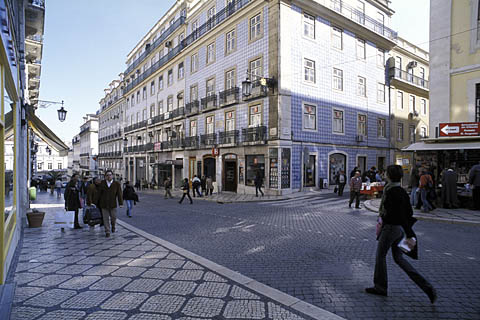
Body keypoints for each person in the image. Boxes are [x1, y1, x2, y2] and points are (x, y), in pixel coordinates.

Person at [366, 165, 437, 304]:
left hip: (391, 228)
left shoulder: (392, 192)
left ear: (389, 175)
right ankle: (426, 287)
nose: (385, 174)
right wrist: (407, 231)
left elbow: (399, 214)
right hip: (399, 230)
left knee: (380, 257)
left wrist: (408, 233)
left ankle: (380, 287)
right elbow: (408, 213)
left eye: (386, 172)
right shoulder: (401, 191)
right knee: (399, 259)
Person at [98, 170, 123, 237]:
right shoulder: (102, 183)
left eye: (110, 175)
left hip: (113, 204)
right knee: (105, 218)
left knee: (113, 218)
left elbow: (119, 194)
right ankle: (107, 231)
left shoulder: (116, 184)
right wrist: (96, 203)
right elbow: (99, 194)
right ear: (105, 176)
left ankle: (113, 226)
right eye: (107, 175)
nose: (109, 176)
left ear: (112, 176)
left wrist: (121, 203)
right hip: (104, 204)